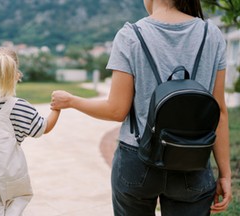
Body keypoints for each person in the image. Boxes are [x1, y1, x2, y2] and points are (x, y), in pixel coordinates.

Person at [51, 0, 232, 215]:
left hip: (137, 159)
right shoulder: (211, 35)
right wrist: (225, 174)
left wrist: (71, 101)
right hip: (192, 159)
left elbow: (116, 110)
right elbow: (218, 112)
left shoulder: (130, 36)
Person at [0, 47, 60, 215]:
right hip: (14, 175)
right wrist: (56, 109)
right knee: (18, 200)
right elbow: (43, 128)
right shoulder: (21, 106)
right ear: (16, 76)